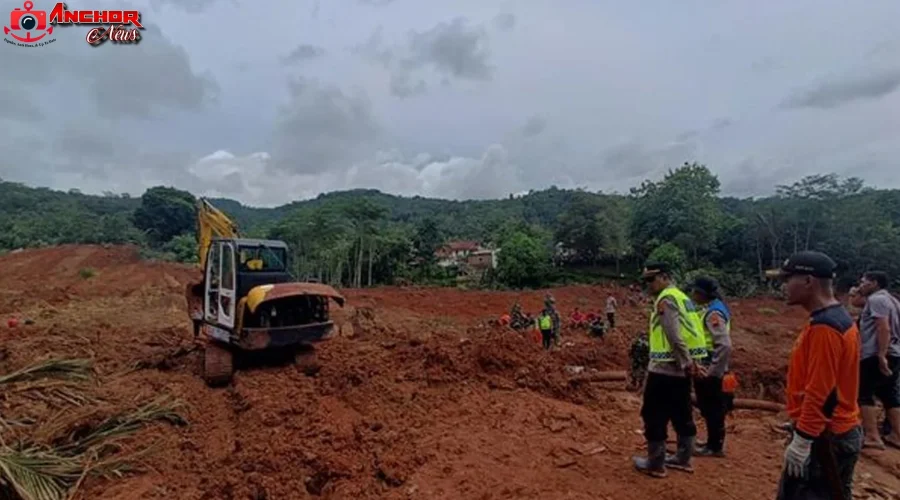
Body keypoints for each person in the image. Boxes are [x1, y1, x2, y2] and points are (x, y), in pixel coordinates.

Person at [767, 251, 862, 500]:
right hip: (834, 431)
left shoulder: (825, 328)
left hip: (825, 437)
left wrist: (803, 439)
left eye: (788, 279)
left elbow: (821, 392)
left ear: (808, 281)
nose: (784, 286)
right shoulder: (834, 319)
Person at [632, 262, 708, 478]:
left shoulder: (666, 299)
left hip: (665, 369)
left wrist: (687, 363)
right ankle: (683, 458)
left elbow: (675, 336)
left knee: (653, 414)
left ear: (664, 277)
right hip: (681, 370)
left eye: (651, 280)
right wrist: (691, 363)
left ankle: (655, 463)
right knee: (681, 412)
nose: (648, 285)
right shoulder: (683, 298)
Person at [688, 276, 733, 458]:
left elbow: (724, 344)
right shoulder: (712, 309)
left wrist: (714, 372)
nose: (692, 294)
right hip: (710, 363)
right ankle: (712, 442)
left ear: (701, 293)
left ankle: (714, 447)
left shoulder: (714, 314)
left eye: (694, 291)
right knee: (709, 406)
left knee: (713, 407)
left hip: (710, 364)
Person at [856, 271, 900, 449]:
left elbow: (883, 327)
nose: (861, 285)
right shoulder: (893, 301)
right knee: (888, 394)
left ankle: (872, 436)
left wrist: (881, 355)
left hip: (875, 354)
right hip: (895, 352)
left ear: (874, 283)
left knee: (864, 393)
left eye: (864, 282)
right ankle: (897, 435)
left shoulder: (876, 300)